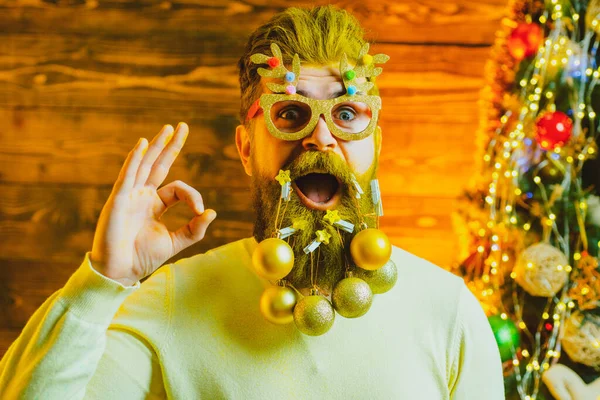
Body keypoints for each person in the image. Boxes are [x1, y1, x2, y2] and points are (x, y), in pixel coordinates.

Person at [0, 5, 504, 399]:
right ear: (246, 149)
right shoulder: (174, 301)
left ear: (378, 146)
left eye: (347, 113)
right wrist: (102, 281)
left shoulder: (449, 310)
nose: (321, 139)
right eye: (290, 114)